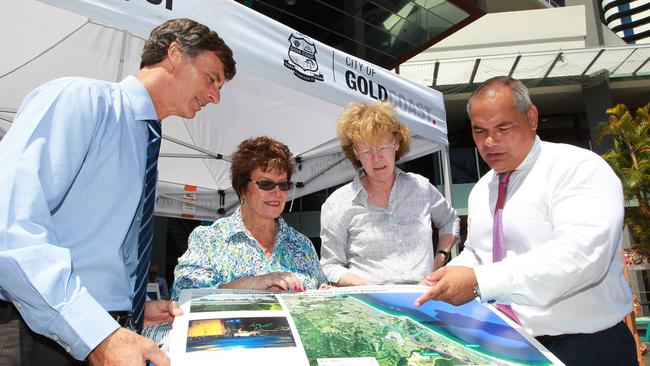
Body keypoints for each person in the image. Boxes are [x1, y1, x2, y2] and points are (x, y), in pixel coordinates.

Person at [0, 18, 236, 366]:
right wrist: (98, 333)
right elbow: (11, 228)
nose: (215, 97)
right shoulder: (81, 99)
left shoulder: (145, 141)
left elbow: (100, 252)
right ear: (175, 54)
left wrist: (133, 307)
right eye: (212, 78)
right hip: (40, 335)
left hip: (100, 330)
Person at [414, 76, 636, 365]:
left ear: (531, 118)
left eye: (503, 128)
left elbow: (581, 256)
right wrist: (441, 278)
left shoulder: (578, 168)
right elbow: (480, 252)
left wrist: (479, 281)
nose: (489, 142)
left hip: (587, 348)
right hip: (512, 345)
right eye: (479, 132)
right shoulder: (483, 189)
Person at [319, 102, 460, 286]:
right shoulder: (337, 203)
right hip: (370, 307)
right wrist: (370, 290)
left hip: (425, 299)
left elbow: (450, 220)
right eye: (367, 151)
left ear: (396, 143)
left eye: (383, 147)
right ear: (355, 153)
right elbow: (330, 266)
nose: (376, 158)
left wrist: (439, 260)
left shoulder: (421, 187)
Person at [172, 136, 327, 299]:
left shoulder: (302, 245)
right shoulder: (209, 240)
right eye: (266, 184)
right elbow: (183, 297)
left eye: (283, 185)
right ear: (242, 188)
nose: (277, 192)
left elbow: (318, 294)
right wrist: (253, 283)